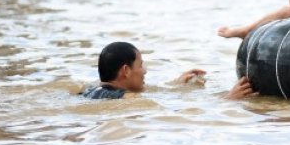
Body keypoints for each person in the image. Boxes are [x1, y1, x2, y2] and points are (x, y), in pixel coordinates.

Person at [81, 41, 254, 100]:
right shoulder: (128, 98)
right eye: (140, 65)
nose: (145, 71)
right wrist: (227, 99)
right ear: (126, 70)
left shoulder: (90, 89)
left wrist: (176, 84)